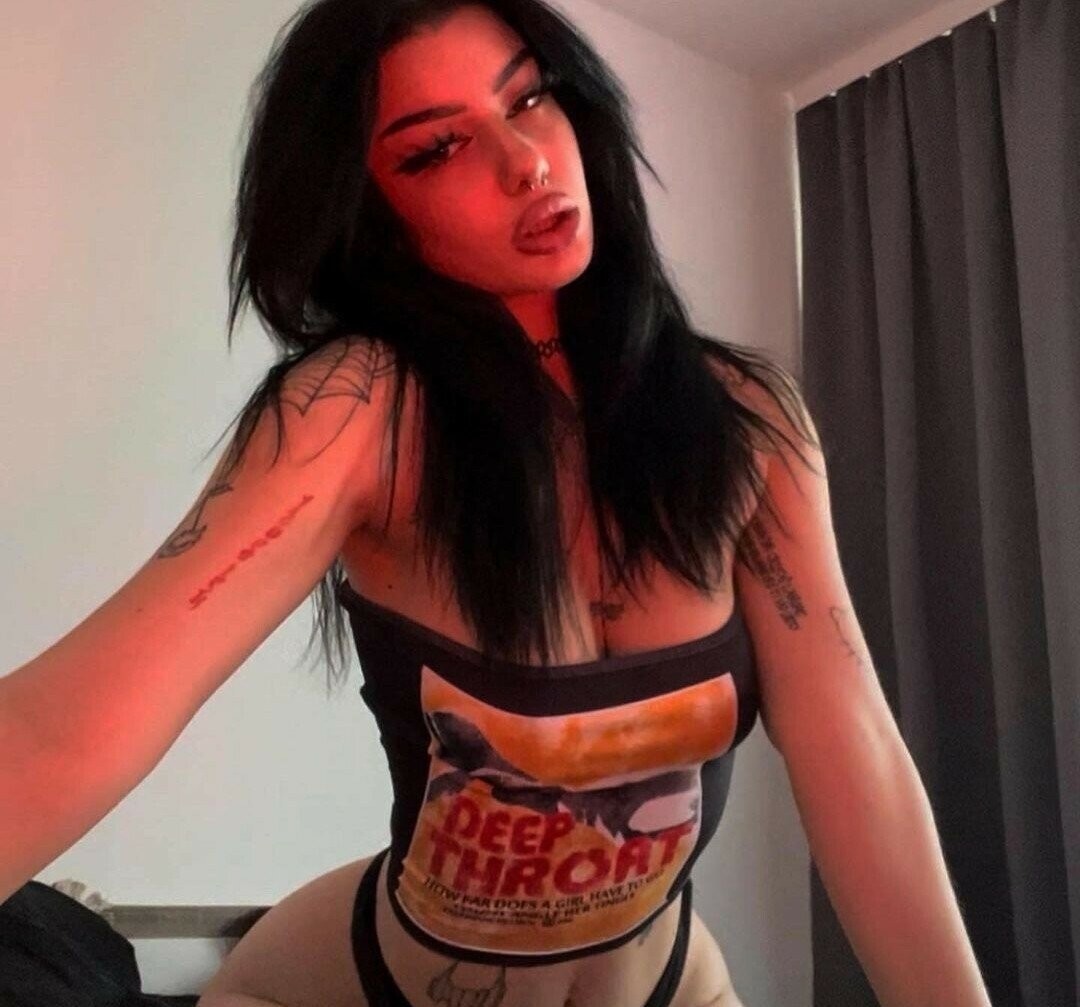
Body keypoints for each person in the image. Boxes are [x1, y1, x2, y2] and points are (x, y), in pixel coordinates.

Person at [1, 1, 830, 1005]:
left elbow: (855, 751)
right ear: (370, 218)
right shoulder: (360, 409)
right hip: (354, 977)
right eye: (437, 148)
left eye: (530, 97)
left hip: (676, 977)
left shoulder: (746, 417)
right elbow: (62, 730)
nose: (525, 161)